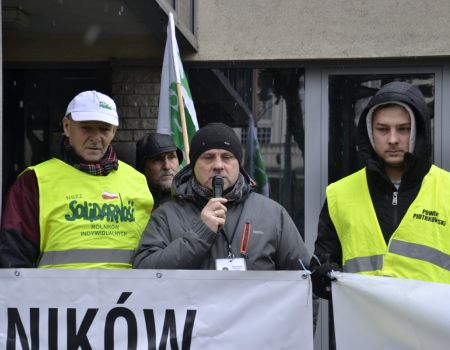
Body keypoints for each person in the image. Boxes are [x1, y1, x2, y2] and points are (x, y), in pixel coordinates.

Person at [311, 81, 450, 299]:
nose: (393, 139)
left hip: (431, 330)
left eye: (403, 129)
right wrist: (323, 276)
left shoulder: (447, 190)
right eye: (383, 129)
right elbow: (322, 270)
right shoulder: (340, 194)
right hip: (364, 328)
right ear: (369, 132)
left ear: (419, 131)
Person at [0, 90, 153, 268]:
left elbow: (152, 251)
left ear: (114, 131)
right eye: (86, 127)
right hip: (56, 295)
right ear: (66, 126)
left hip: (131, 294)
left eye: (104, 129)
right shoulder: (34, 181)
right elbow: (13, 256)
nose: (96, 138)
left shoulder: (137, 180)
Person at [133, 122, 310, 270]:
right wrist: (200, 235)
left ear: (238, 164)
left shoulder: (272, 214)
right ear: (193, 166)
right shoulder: (167, 216)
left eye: (227, 157)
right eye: (208, 157)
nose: (218, 165)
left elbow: (304, 279)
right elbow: (143, 271)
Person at [135, 133, 182, 210]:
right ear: (143, 166)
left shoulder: (194, 201)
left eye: (171, 157)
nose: (167, 166)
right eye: (157, 159)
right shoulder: (131, 203)